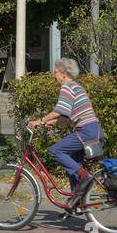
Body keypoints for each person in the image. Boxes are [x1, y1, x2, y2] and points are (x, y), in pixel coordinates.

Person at [28, 58, 104, 209]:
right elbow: (66, 119)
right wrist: (48, 123)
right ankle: (77, 202)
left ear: (63, 73)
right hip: (94, 130)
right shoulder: (77, 87)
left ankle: (85, 177)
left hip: (86, 131)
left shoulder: (67, 87)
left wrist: (39, 121)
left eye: (55, 72)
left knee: (55, 150)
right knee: (72, 166)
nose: (53, 75)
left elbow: (59, 111)